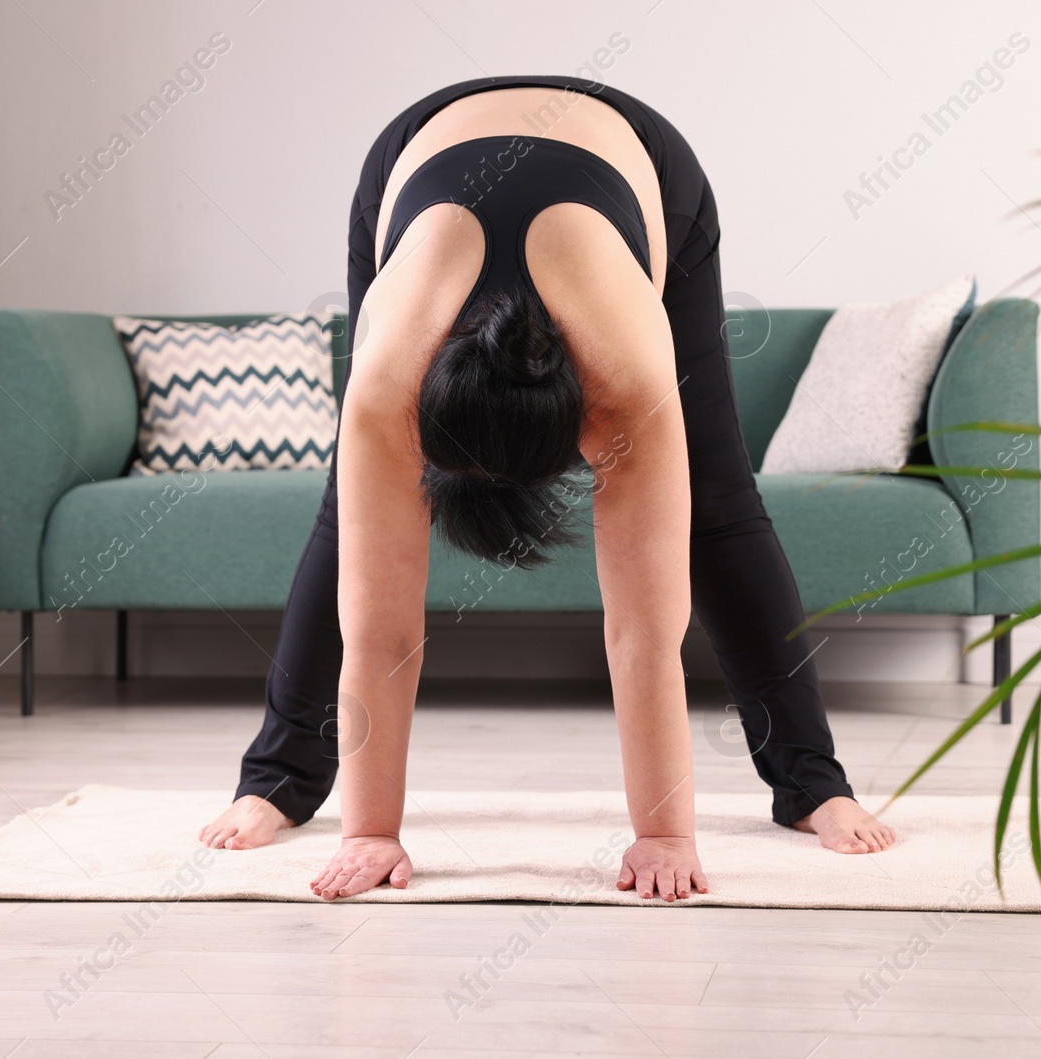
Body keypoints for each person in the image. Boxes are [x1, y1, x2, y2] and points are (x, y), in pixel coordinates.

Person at [197, 76, 895, 902]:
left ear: (587, 424)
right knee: (350, 522)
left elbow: (644, 631)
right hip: (413, 159)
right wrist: (371, 833)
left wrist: (663, 834)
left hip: (643, 168)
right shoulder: (389, 388)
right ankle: (276, 778)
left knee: (718, 495)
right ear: (424, 424)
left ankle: (814, 783)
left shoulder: (628, 379)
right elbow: (380, 630)